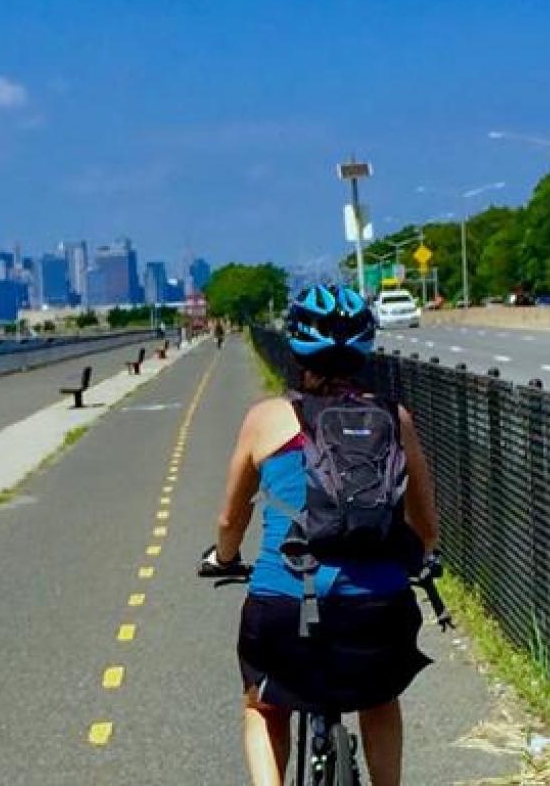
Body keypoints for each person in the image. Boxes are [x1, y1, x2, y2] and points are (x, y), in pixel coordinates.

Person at [207, 284, 439, 786]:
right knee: (379, 698)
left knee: (265, 708)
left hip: (283, 598)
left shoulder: (265, 419)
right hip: (377, 603)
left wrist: (224, 559)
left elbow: (231, 520)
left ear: (295, 349)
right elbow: (426, 528)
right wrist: (417, 561)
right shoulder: (396, 419)